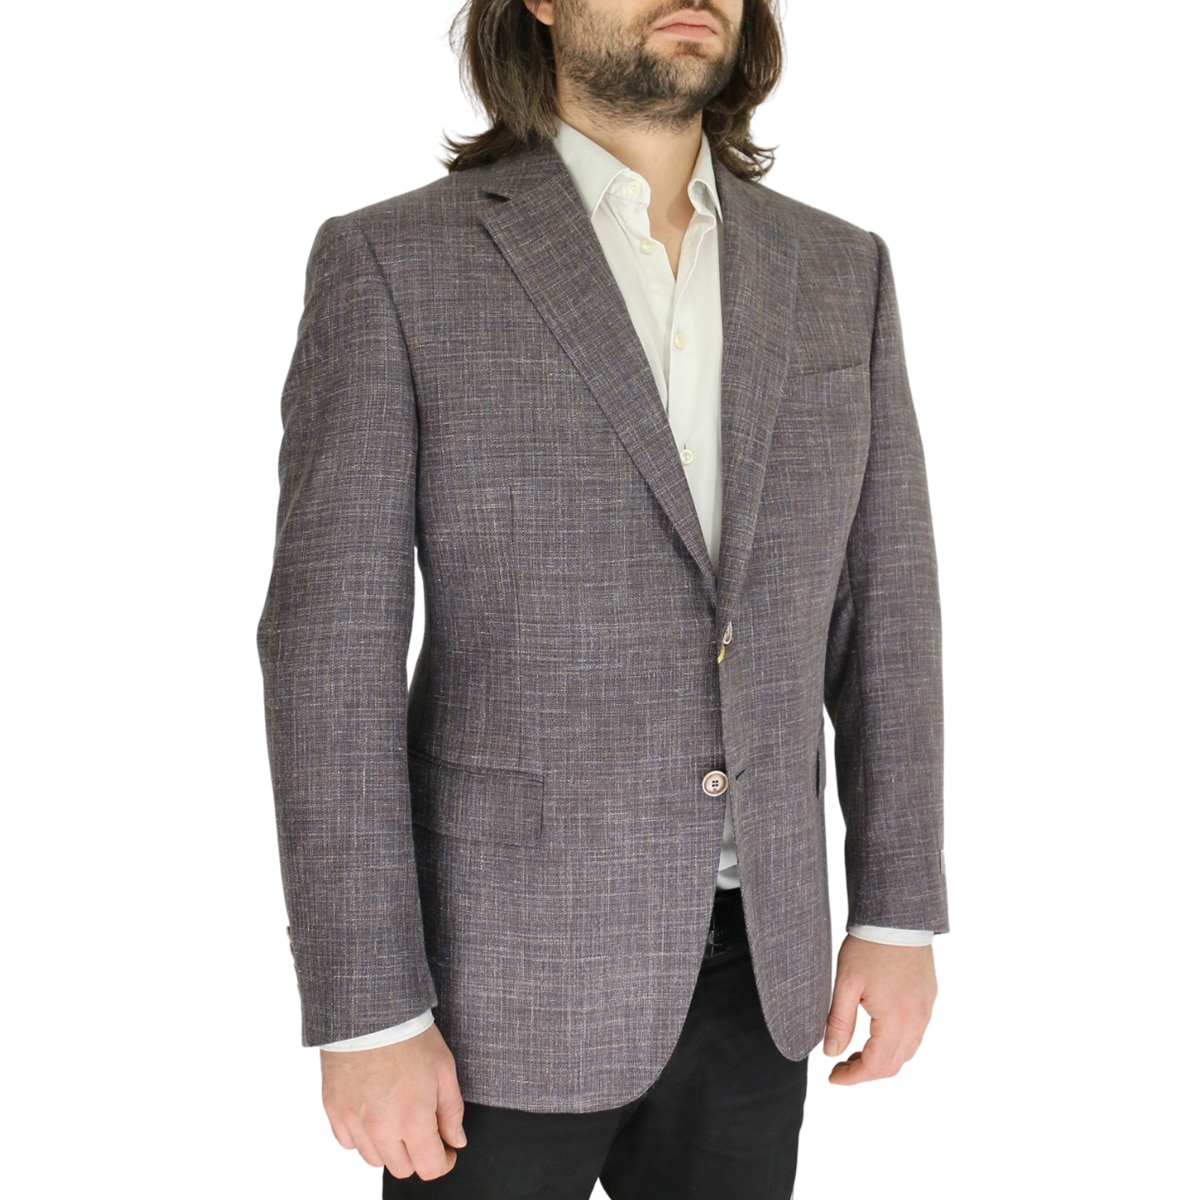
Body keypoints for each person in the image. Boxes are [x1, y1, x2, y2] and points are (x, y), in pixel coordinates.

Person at [257, 1, 948, 1195]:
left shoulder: (842, 269)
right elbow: (330, 658)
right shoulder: (396, 263)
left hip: (763, 980)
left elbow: (885, 614)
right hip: (495, 992)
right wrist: (369, 1008)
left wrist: (896, 913)